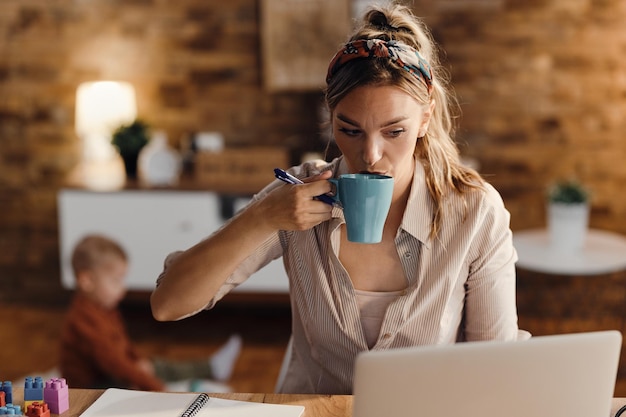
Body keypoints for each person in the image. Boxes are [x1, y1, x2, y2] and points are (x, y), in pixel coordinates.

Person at [150, 2, 521, 395]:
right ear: (330, 117)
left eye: (394, 132)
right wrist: (259, 217)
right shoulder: (295, 198)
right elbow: (167, 304)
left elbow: (495, 367)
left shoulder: (475, 212)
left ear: (426, 117)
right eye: (351, 130)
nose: (371, 154)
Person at [60, 234, 242, 392]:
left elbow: (122, 344)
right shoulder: (82, 321)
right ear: (87, 281)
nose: (122, 288)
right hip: (91, 386)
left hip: (110, 372)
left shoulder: (105, 308)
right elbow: (114, 363)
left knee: (154, 366)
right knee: (137, 383)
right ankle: (194, 381)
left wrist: (137, 362)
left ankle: (211, 367)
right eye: (116, 281)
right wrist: (155, 387)